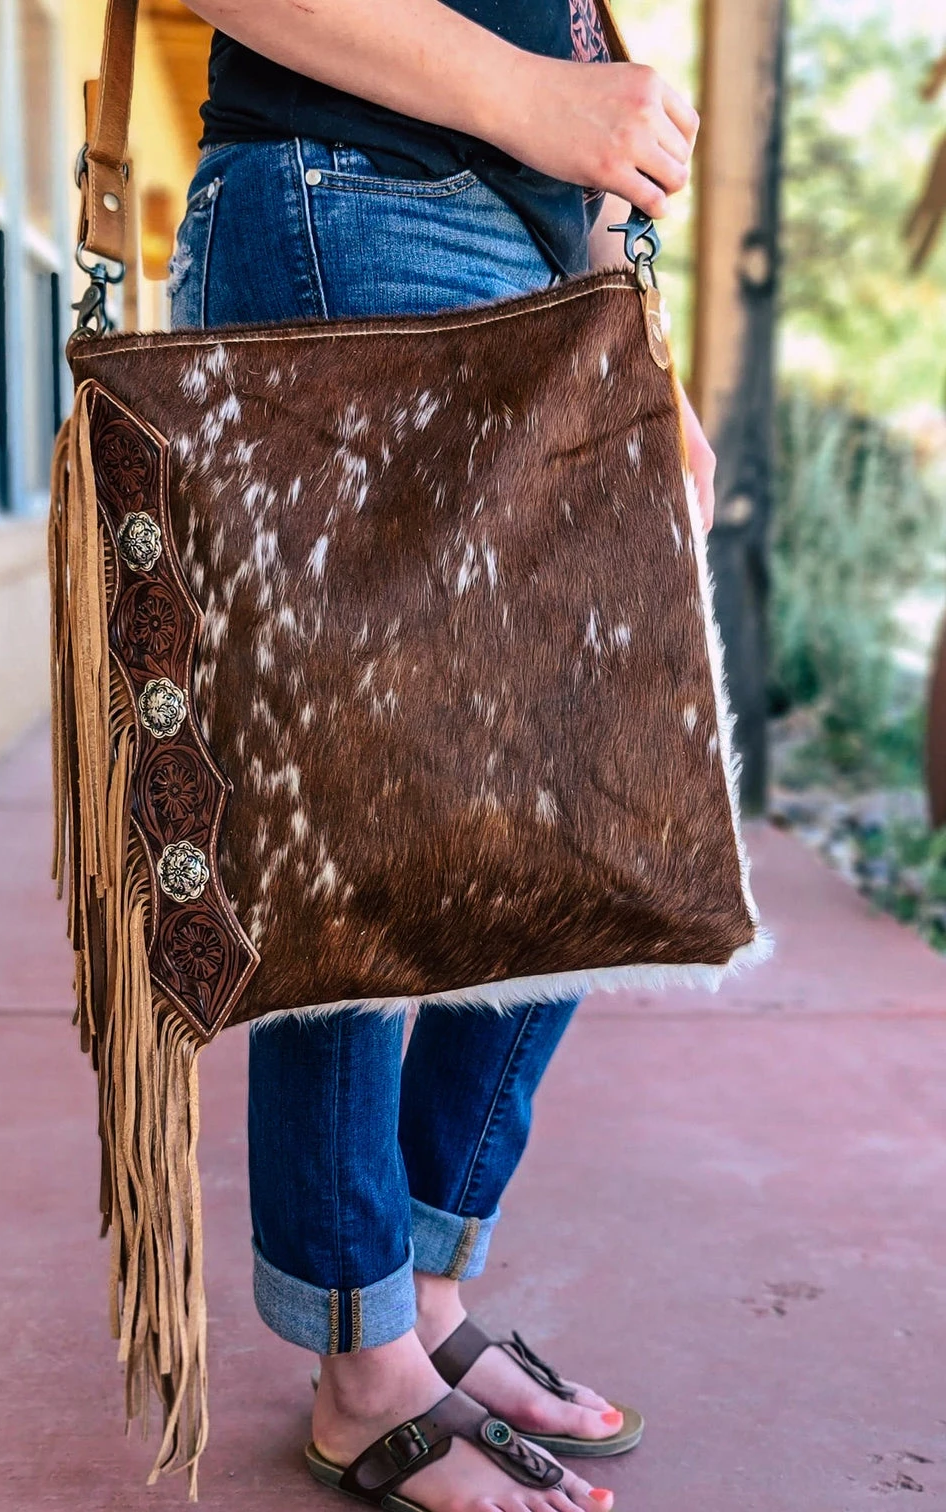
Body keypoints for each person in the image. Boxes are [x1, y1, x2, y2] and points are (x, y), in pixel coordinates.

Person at [169, 4, 713, 1509]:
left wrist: (620, 313)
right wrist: (534, 99)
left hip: (531, 250)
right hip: (351, 196)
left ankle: (420, 1281)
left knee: (596, 798)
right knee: (370, 822)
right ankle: (362, 1357)